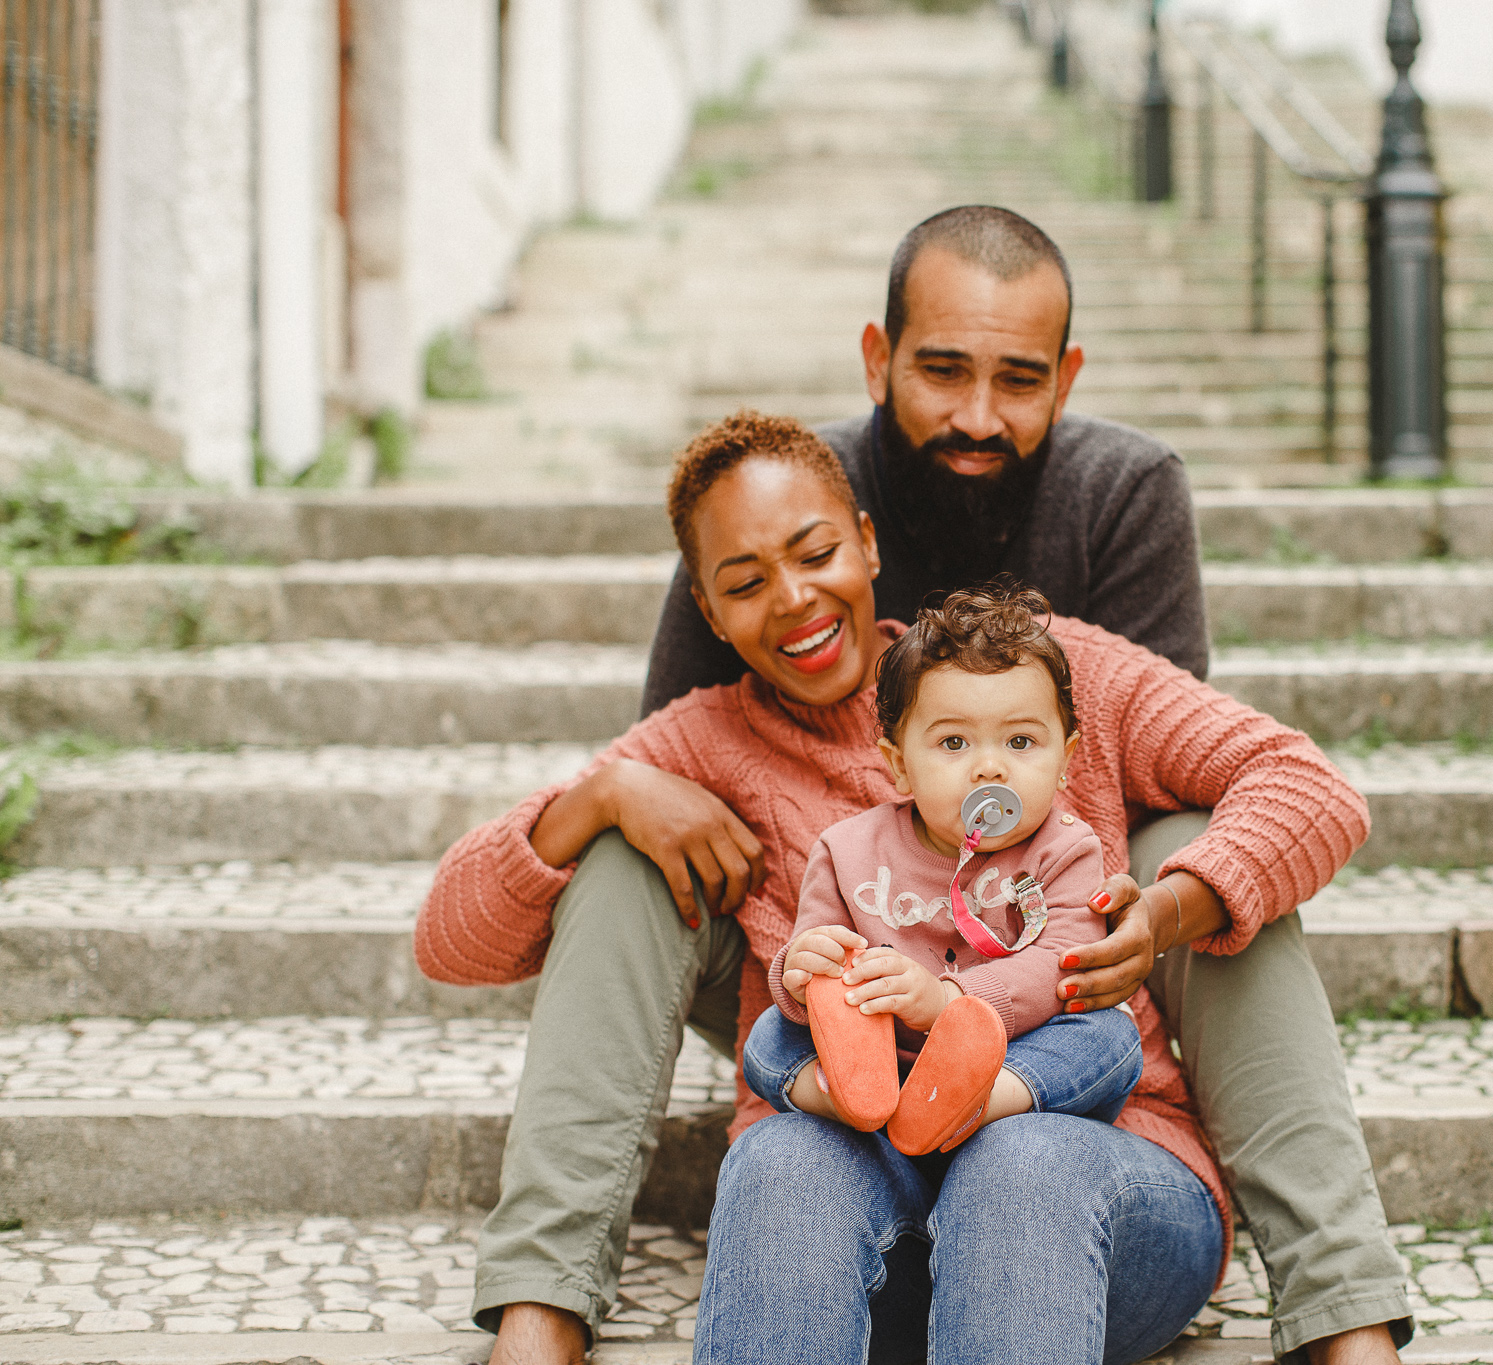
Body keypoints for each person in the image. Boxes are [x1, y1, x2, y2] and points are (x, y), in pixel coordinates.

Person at [439, 204, 1414, 1365]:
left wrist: (1173, 901)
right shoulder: (714, 737)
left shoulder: (1071, 673)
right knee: (776, 1146)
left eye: (815, 557)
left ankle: (1345, 1320)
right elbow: (455, 938)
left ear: (864, 542)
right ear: (704, 609)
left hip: (1078, 1125)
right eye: (747, 580)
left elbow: (1298, 787)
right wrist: (603, 799)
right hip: (850, 1142)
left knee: (1069, 1071)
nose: (795, 600)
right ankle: (538, 1317)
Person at [747, 583, 1143, 1154]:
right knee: (770, 1037)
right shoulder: (845, 850)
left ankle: (978, 1104)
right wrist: (803, 971)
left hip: (1009, 1057)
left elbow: (1060, 965)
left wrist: (949, 1003)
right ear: (900, 765)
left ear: (1065, 760)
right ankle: (853, 1097)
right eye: (954, 742)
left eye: (1022, 740)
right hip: (883, 1055)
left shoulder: (1067, 850)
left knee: (1108, 1036)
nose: (990, 767)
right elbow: (820, 955)